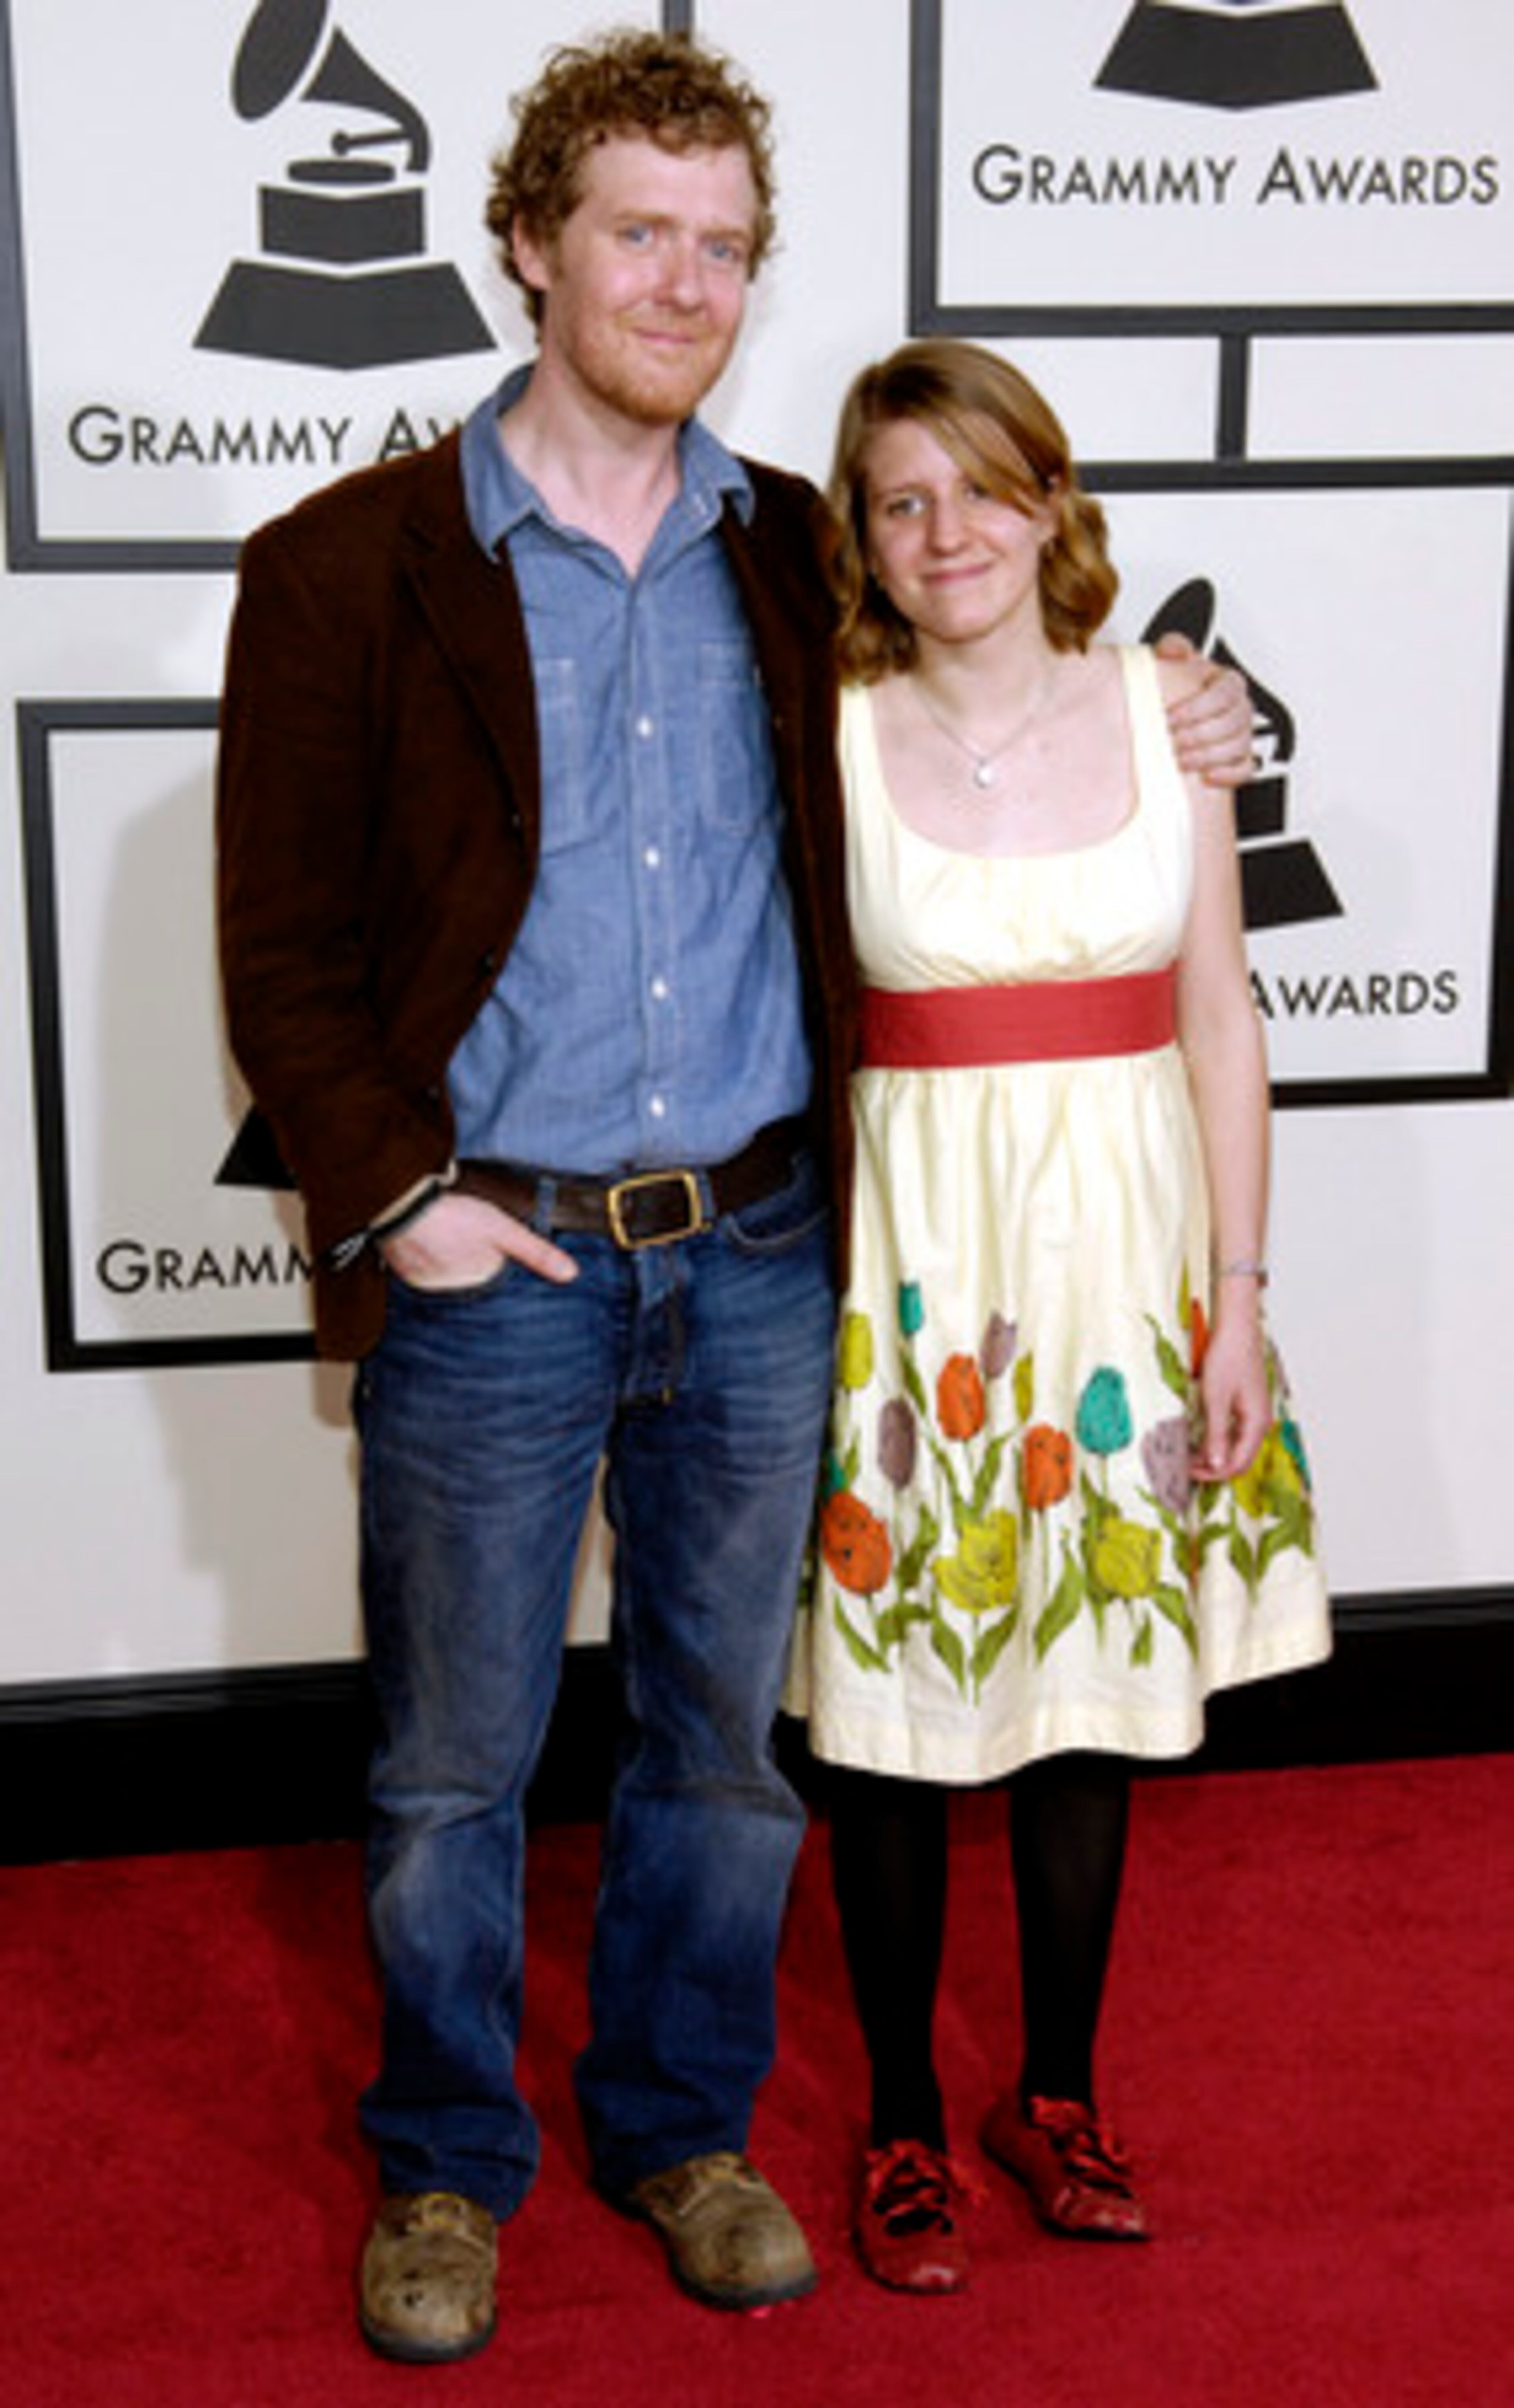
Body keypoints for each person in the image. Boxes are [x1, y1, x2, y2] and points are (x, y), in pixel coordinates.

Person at [216, 29, 1254, 2363]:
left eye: (724, 246)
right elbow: (279, 945)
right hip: (494, 1252)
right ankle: (447, 2158)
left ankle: (685, 2121)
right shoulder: (342, 567)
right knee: (452, 1757)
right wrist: (405, 1202)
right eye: (636, 235)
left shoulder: (812, 549)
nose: (682, 281)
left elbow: (1025, 673)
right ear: (529, 251)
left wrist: (1189, 692)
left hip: (777, 1248)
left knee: (720, 1739)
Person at [790, 339, 1331, 2296]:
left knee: (1094, 1686)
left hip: (1127, 1258)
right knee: (897, 1717)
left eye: (983, 489)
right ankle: (907, 2134)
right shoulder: (824, 727)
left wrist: (1241, 1299)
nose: (949, 534)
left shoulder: (1169, 713)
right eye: (902, 500)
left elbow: (1221, 1017)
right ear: (862, 533)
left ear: (1050, 503)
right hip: (912, 1270)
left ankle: (1060, 2092)